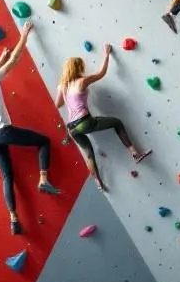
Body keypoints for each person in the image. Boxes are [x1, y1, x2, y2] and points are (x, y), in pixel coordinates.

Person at [0, 21, 62, 234]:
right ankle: (43, 179)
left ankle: (14, 220)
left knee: (8, 176)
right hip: (2, 131)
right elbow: (13, 62)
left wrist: (1, 58)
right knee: (43, 142)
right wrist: (24, 35)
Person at [55, 45, 152, 192]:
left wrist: (69, 96)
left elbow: (58, 104)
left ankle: (98, 181)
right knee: (117, 122)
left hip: (72, 128)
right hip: (84, 121)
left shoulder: (63, 86)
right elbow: (101, 73)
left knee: (88, 152)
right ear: (77, 68)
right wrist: (106, 55)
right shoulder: (82, 81)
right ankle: (135, 153)